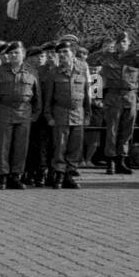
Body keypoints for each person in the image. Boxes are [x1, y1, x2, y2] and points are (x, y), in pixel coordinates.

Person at [88, 31, 139, 175]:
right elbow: (91, 62)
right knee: (112, 131)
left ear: (130, 44)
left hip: (130, 96)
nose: (122, 45)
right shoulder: (107, 57)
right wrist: (104, 49)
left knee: (127, 131)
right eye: (120, 42)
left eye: (125, 42)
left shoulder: (136, 59)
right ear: (116, 44)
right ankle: (111, 161)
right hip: (113, 96)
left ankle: (121, 160)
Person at [0, 41, 40, 190]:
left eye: (16, 52)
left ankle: (16, 176)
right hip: (4, 111)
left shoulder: (32, 71)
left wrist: (35, 114)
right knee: (3, 146)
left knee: (20, 147)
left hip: (24, 112)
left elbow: (37, 96)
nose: (13, 55)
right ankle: (2, 176)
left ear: (23, 54)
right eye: (10, 53)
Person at [42, 40, 91, 189]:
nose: (62, 55)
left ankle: (70, 173)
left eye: (65, 52)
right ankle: (59, 174)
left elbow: (87, 95)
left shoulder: (82, 70)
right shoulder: (53, 73)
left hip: (78, 114)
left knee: (75, 147)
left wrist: (88, 114)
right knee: (60, 146)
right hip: (60, 114)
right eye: (60, 52)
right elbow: (48, 98)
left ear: (73, 54)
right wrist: (49, 116)